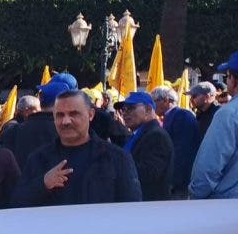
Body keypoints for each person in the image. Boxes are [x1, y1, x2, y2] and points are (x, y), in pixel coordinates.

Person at [12, 90, 141, 207]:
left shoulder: (116, 158)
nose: (66, 121)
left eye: (74, 114)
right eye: (60, 115)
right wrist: (43, 184)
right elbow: (17, 203)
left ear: (90, 114)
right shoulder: (38, 159)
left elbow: (131, 210)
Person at [189, 54, 238, 199]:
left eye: (227, 76)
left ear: (234, 80)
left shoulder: (228, 114)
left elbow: (208, 168)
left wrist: (196, 196)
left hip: (226, 207)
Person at [116, 91, 174, 202]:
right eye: (123, 109)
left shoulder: (156, 136)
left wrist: (116, 166)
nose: (125, 113)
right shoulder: (138, 134)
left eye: (131, 108)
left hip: (149, 207)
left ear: (148, 109)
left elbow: (149, 174)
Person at [149, 85, 196, 197]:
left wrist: (173, 181)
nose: (152, 106)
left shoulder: (182, 116)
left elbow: (182, 152)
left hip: (179, 183)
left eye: (154, 101)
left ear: (165, 100)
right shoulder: (172, 116)